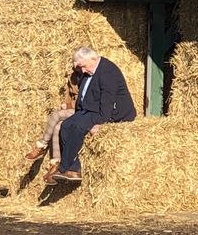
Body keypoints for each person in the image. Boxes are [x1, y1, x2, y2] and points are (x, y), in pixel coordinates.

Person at [53, 46, 137, 183]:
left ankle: (63, 169)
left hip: (113, 112)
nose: (83, 70)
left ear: (93, 58)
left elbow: (108, 101)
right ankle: (74, 169)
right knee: (66, 125)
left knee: (78, 127)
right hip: (90, 110)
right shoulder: (90, 71)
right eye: (80, 68)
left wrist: (102, 123)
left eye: (84, 66)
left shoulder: (108, 71)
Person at [25, 67, 82, 184]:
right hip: (74, 109)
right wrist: (65, 104)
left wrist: (69, 105)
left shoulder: (91, 77)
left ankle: (41, 145)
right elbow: (69, 95)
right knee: (58, 127)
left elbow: (88, 99)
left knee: (56, 115)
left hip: (84, 110)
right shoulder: (73, 77)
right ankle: (55, 165)